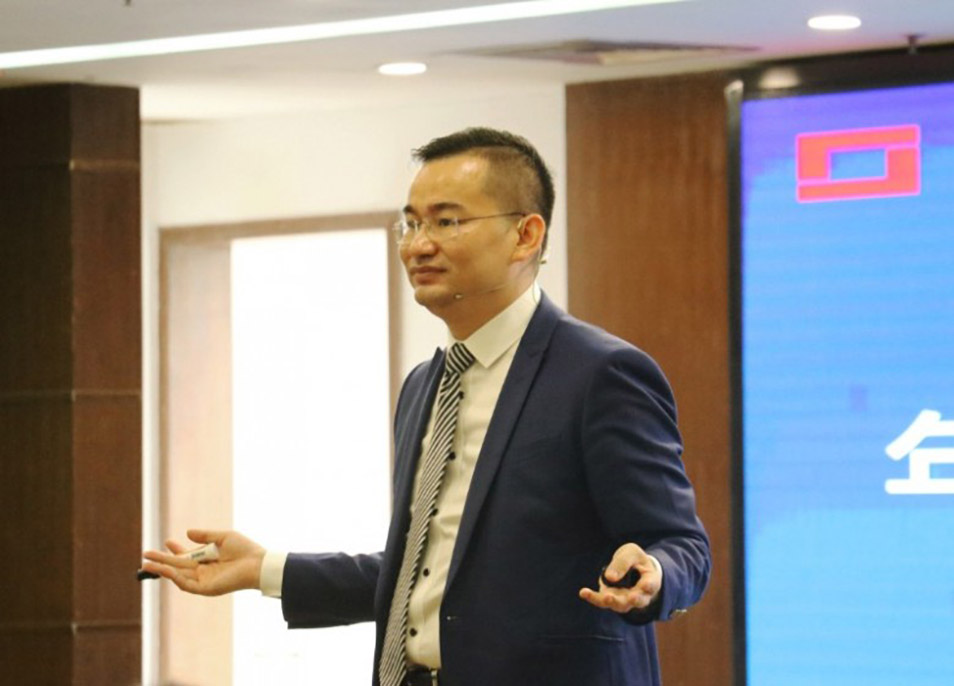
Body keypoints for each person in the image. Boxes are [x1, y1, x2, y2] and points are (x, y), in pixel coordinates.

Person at [143, 127, 711, 686]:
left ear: (526, 235)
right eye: (411, 223)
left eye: (447, 222)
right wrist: (265, 569)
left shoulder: (600, 375)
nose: (418, 245)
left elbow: (684, 546)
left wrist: (654, 575)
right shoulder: (425, 385)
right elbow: (426, 575)